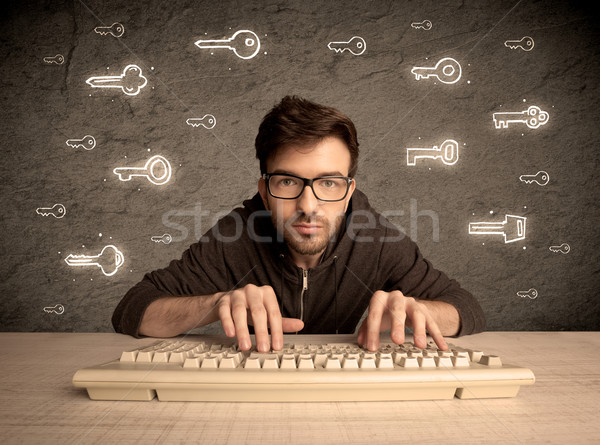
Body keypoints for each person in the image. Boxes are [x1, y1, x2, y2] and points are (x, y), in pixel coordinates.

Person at [112, 96, 485, 353]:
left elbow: (467, 308)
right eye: (288, 182)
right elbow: (132, 311)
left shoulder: (378, 238)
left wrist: (422, 311)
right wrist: (216, 304)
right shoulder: (235, 235)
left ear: (349, 190)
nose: (308, 206)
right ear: (264, 189)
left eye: (328, 183)